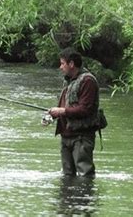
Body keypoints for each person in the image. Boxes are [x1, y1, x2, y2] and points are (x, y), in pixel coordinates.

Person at [48, 48, 100, 177]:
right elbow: (64, 107)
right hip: (66, 135)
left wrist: (61, 111)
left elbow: (85, 109)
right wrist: (52, 115)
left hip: (81, 137)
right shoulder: (69, 81)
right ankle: (68, 197)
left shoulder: (88, 81)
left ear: (71, 64)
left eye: (62, 63)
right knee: (67, 176)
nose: (60, 67)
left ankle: (85, 196)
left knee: (85, 175)